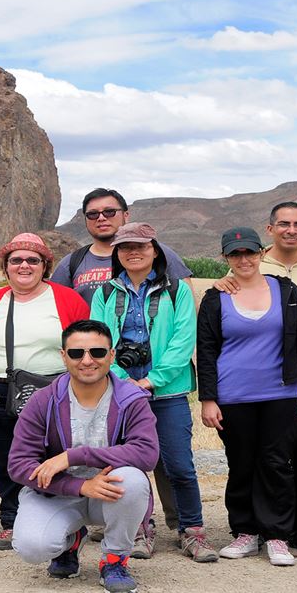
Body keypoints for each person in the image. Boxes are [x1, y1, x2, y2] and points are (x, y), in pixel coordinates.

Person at [210, 201, 297, 555]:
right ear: (270, 229)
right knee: (248, 459)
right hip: (243, 386)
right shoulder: (234, 281)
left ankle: (296, 529)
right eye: (284, 223)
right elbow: (210, 343)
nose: (291, 229)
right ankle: (252, 529)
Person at [89, 222, 217, 563]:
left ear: (155, 251)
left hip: (168, 393)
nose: (134, 252)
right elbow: (98, 341)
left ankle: (192, 531)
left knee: (179, 465)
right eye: (126, 246)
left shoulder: (177, 291)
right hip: (120, 394)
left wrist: (151, 380)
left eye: (141, 246)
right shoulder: (104, 294)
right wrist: (120, 377)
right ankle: (140, 530)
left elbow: (182, 341)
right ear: (116, 253)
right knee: (131, 467)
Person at [7, 319, 159, 593]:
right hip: (59, 494)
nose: (87, 360)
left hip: (109, 495)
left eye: (97, 352)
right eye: (77, 353)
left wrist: (76, 456)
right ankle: (70, 541)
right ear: (63, 356)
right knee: (32, 547)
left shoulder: (132, 398)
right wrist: (78, 485)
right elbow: (18, 465)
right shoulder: (43, 400)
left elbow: (147, 454)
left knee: (134, 480)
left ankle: (114, 560)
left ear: (111, 355)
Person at [197, 226, 297, 567]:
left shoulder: (286, 290)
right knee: (242, 462)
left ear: (262, 253)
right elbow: (205, 351)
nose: (244, 259)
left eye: (250, 252)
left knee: (277, 462)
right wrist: (208, 398)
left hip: (281, 392)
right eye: (235, 254)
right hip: (233, 395)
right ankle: (246, 532)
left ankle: (277, 535)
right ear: (225, 258)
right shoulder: (215, 297)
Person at [0, 233, 90, 550]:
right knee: (6, 461)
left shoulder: (67, 299)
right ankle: (12, 521)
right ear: (5, 267)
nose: (24, 265)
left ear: (44, 265)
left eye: (32, 260)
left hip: (55, 391)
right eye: (16, 260)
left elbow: (85, 347)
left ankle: (66, 523)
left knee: (55, 458)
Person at [50, 187, 193, 303]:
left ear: (126, 215)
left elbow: (188, 305)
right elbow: (54, 306)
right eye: (93, 214)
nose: (101, 218)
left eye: (109, 212)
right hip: (90, 338)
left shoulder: (158, 253)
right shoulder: (70, 263)